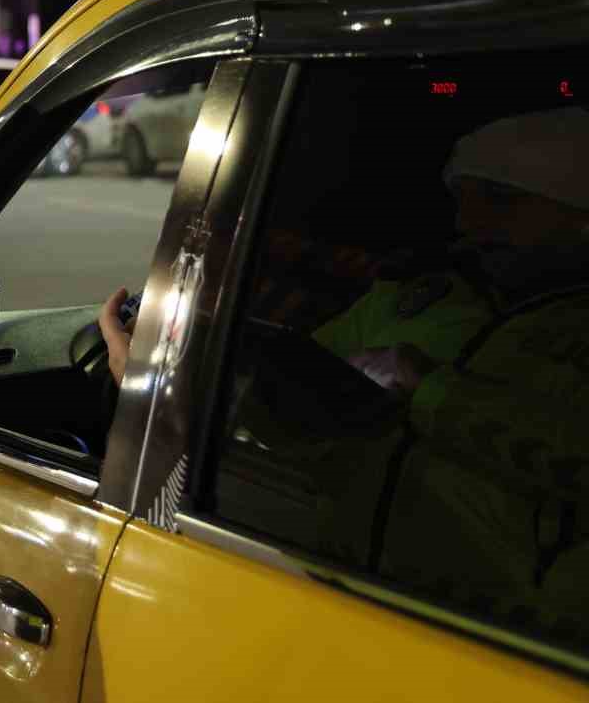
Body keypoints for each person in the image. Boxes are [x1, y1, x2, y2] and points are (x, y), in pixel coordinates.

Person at [96, 107, 589, 639]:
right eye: (461, 201)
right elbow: (300, 411)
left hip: (505, 641)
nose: (468, 223)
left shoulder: (567, 331)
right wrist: (168, 378)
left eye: (500, 199)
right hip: (351, 601)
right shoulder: (418, 299)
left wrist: (433, 390)